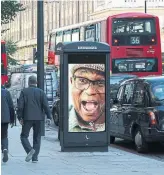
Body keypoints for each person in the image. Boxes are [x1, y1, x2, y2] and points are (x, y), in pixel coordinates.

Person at [17, 75, 52, 163]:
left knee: (24, 136)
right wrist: (49, 117)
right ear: (36, 82)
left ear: (28, 82)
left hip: (27, 118)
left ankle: (29, 150)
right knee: (37, 137)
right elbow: (46, 105)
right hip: (38, 118)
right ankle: (35, 157)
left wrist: (20, 117)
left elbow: (20, 106)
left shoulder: (24, 92)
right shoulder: (41, 92)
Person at [69, 64, 105, 132]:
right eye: (82, 80)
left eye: (100, 82)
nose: (90, 91)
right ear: (71, 82)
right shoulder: (64, 118)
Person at [1, 85, 15, 163]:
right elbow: (11, 107)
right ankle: (5, 149)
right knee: (4, 135)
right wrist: (12, 120)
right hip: (4, 118)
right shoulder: (6, 92)